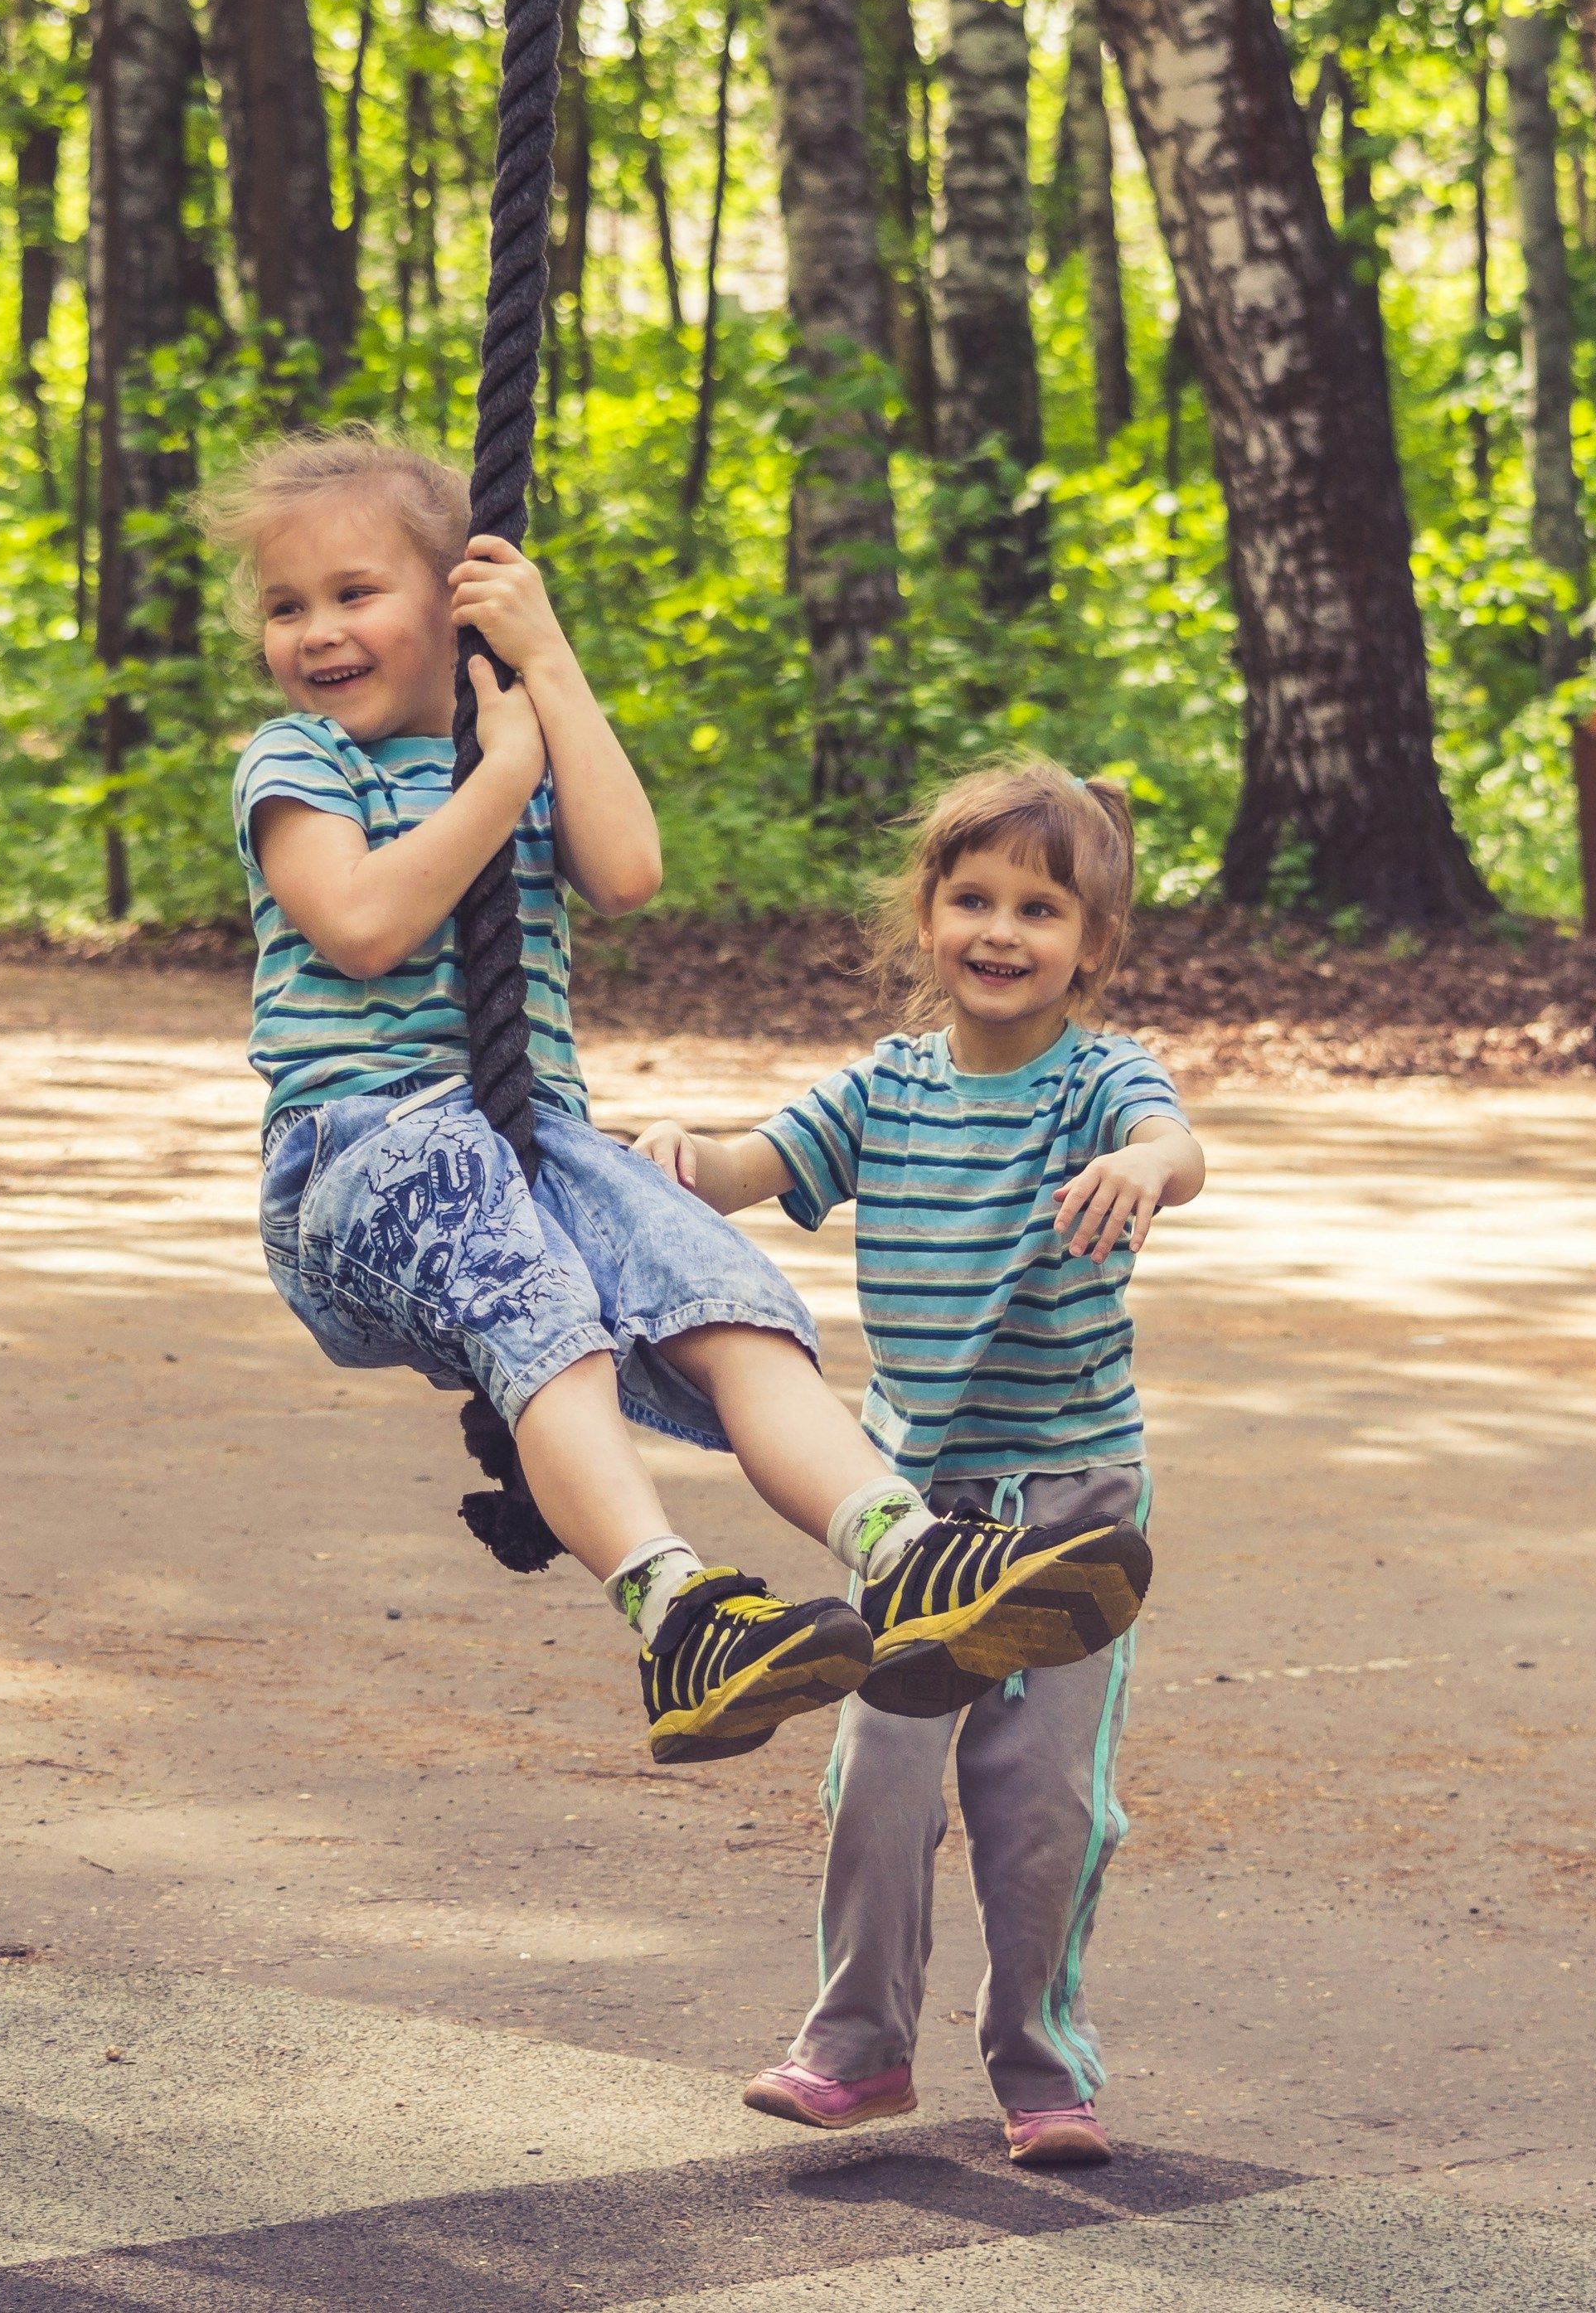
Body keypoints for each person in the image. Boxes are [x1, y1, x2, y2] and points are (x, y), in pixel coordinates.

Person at [205, 429, 1155, 1768]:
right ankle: (672, 1606)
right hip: (362, 1151)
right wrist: (498, 777)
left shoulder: (509, 734)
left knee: (727, 1295)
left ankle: (906, 1553)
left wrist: (544, 666)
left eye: (353, 592)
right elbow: (358, 924)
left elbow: (630, 865)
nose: (314, 630)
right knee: (550, 1322)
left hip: (524, 1139)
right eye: (284, 605)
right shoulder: (300, 760)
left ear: (460, 598)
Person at [626, 760, 1202, 2165]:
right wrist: (666, 1156)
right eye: (971, 897)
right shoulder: (884, 1085)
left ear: (1090, 944)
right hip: (908, 1514)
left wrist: (1148, 1166)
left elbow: (1171, 1141)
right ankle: (855, 2045)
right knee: (876, 1776)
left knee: (1041, 1801)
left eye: (1039, 907)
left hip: (1068, 1510)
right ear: (926, 913)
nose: (1000, 931)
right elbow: (748, 1163)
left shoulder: (1096, 1084)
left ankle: (1039, 2060)